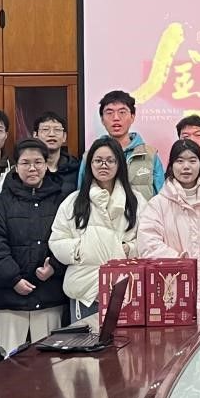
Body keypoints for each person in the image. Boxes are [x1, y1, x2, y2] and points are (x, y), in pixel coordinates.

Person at [0, 139, 69, 352]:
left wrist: (54, 266)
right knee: (9, 363)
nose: (32, 168)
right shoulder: (2, 202)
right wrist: (13, 278)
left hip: (49, 295)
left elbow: (71, 238)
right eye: (25, 163)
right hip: (9, 298)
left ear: (46, 165)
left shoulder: (62, 200)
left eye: (38, 162)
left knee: (49, 362)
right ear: (16, 166)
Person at [53, 136, 147, 321]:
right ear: (90, 165)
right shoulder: (73, 201)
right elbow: (57, 239)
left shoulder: (136, 201)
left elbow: (147, 240)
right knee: (85, 339)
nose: (104, 165)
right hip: (85, 291)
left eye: (110, 160)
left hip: (126, 289)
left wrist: (127, 249)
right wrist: (81, 250)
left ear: (119, 164)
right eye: (98, 160)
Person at [138, 139, 200, 294]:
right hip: (171, 285)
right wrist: (180, 261)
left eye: (192, 161)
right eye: (180, 161)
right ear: (171, 166)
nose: (186, 167)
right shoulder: (157, 204)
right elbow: (148, 244)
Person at [77, 90, 164, 200]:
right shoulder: (91, 156)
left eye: (122, 112)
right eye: (109, 113)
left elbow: (161, 196)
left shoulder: (150, 155)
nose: (116, 118)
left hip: (141, 211)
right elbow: (82, 193)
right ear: (102, 119)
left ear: (132, 117)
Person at [34, 111, 80, 198]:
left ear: (64, 137)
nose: (52, 134)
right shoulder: (29, 168)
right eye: (45, 129)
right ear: (35, 135)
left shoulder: (76, 168)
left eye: (57, 130)